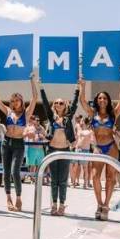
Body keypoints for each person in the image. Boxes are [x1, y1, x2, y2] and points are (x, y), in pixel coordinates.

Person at [0, 72, 39, 212]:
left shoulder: (26, 114)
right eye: (12, 101)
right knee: (6, 172)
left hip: (19, 144)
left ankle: (18, 197)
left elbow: (35, 97)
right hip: (6, 143)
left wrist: (32, 80)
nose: (14, 103)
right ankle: (8, 198)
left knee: (15, 171)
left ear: (21, 101)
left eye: (16, 100)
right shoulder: (8, 111)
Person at [79, 76, 120, 221]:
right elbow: (82, 102)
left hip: (111, 148)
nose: (102, 100)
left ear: (108, 101)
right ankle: (99, 204)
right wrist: (83, 86)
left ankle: (106, 205)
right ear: (97, 100)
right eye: (100, 98)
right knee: (95, 176)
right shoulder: (93, 114)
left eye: (105, 98)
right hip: (98, 148)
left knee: (111, 178)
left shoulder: (113, 114)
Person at [41, 84, 80, 216]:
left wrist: (77, 88)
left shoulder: (68, 118)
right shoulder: (52, 118)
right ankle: (53, 204)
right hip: (52, 151)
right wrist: (41, 87)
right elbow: (45, 104)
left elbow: (75, 104)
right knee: (54, 180)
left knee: (63, 180)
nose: (58, 104)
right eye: (56, 102)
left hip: (64, 150)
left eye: (61, 102)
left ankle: (62, 204)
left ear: (65, 105)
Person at [72, 116, 94, 189]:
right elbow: (77, 139)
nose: (80, 122)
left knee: (85, 168)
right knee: (75, 167)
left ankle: (85, 184)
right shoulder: (79, 128)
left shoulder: (90, 131)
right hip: (77, 149)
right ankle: (74, 183)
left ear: (85, 122)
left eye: (81, 121)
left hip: (85, 151)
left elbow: (92, 140)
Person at [23, 116, 46, 184]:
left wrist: (42, 137)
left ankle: (38, 179)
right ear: (34, 121)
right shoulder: (30, 128)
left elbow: (45, 137)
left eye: (39, 120)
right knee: (32, 165)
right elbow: (24, 135)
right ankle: (31, 178)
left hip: (40, 149)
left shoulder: (42, 128)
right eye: (36, 120)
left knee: (40, 165)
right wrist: (29, 134)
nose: (37, 121)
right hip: (32, 148)